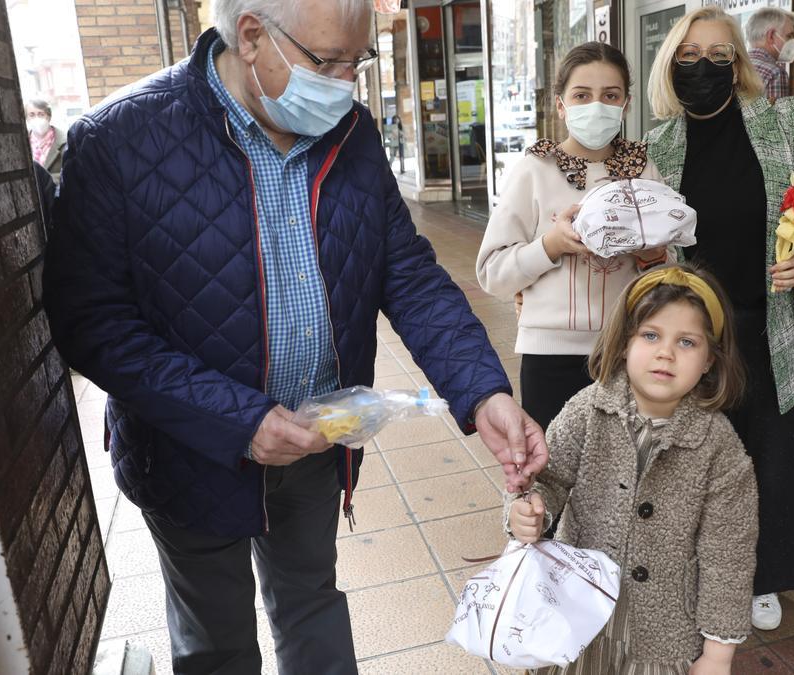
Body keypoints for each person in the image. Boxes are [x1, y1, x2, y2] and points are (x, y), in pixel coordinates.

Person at [42, 1, 548, 673]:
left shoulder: (352, 134)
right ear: (252, 36)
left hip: (317, 441)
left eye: (356, 61)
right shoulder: (119, 139)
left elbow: (407, 274)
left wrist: (482, 391)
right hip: (190, 451)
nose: (344, 84)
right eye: (327, 61)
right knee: (215, 638)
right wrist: (239, 420)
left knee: (311, 604)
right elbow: (93, 322)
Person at [643, 6, 794, 631]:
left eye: (717, 55)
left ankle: (767, 576)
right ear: (670, 65)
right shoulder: (660, 144)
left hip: (773, 325)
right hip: (697, 331)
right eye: (688, 56)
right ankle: (708, 572)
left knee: (775, 455)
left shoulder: (786, 123)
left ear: (738, 64)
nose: (702, 67)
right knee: (700, 461)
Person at [508, 265, 757, 675]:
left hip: (661, 636)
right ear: (624, 343)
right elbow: (545, 479)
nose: (666, 353)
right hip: (577, 619)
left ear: (710, 360)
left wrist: (717, 655)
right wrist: (528, 508)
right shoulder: (587, 410)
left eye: (687, 342)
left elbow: (727, 557)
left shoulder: (720, 450)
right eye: (651, 335)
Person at [477, 41, 667, 432]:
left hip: (626, 352)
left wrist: (653, 256)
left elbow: (669, 271)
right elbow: (491, 272)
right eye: (582, 95)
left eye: (609, 95)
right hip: (550, 358)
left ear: (625, 104)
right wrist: (551, 245)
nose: (596, 106)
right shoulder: (535, 170)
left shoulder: (642, 169)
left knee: (622, 474)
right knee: (555, 471)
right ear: (561, 105)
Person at [745, 7, 794, 103]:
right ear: (771, 36)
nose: (793, 41)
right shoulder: (774, 74)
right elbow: (778, 117)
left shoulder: (736, 66)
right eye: (789, 36)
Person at [25, 98, 68, 184]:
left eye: (41, 114)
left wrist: (45, 181)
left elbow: (69, 173)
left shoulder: (64, 141)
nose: (36, 118)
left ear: (49, 116)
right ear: (26, 118)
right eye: (32, 115)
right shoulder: (21, 143)